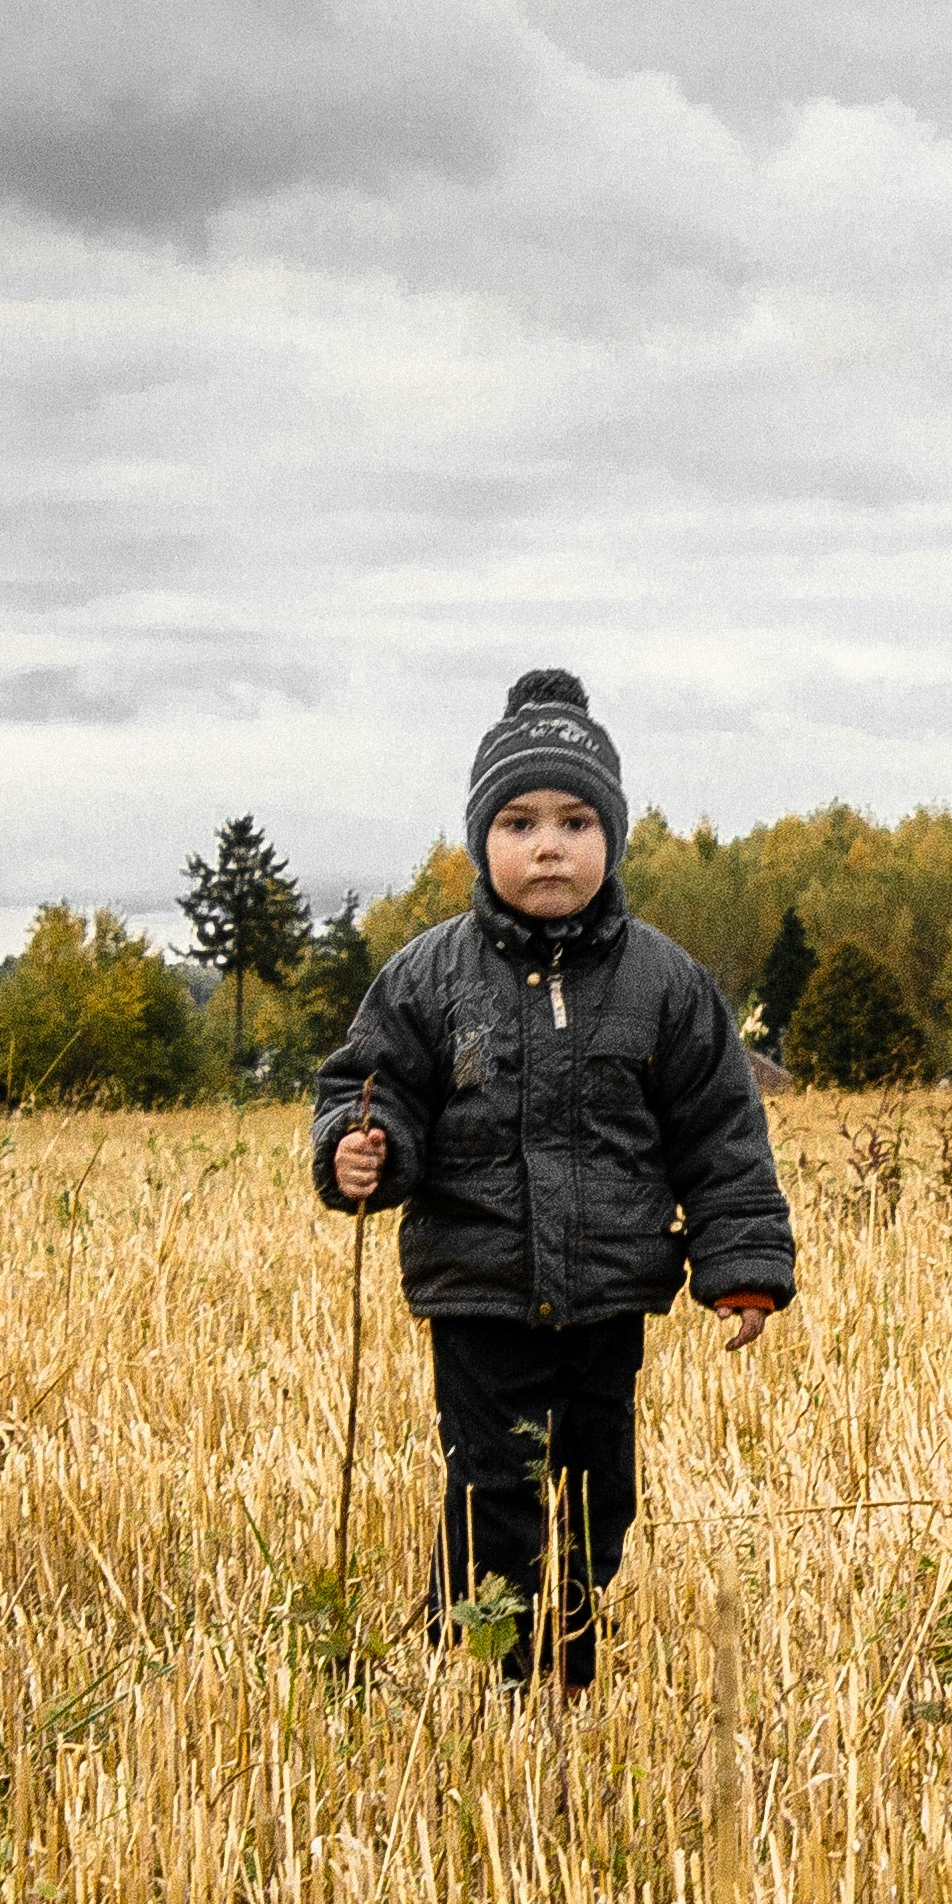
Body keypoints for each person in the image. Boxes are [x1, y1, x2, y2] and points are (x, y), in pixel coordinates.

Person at [311, 668, 795, 1691]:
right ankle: (502, 1665)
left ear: (611, 838)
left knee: (595, 1493)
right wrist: (363, 1151)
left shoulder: (665, 984)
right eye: (520, 820)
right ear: (482, 839)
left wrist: (741, 1262)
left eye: (576, 819)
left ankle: (556, 1645)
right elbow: (369, 1087)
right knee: (496, 1482)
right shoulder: (427, 976)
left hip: (610, 1288)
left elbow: (720, 1131)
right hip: (479, 1286)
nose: (548, 844)